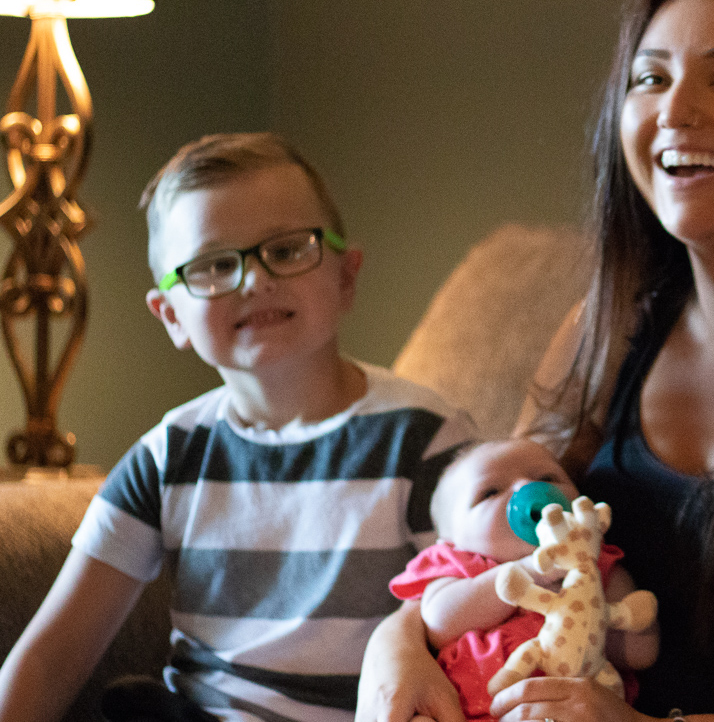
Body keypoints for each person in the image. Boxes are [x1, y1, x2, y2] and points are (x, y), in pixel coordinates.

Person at [357, 0, 714, 722]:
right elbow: (494, 534)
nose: (674, 111)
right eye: (650, 78)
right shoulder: (609, 326)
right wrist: (394, 641)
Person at [0, 133, 478, 722]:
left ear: (346, 278)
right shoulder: (167, 457)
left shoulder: (426, 440)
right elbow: (49, 659)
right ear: (171, 316)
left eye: (288, 249)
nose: (254, 280)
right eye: (213, 265)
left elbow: (480, 607)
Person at [389, 438, 658, 722]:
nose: (527, 487)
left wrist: (589, 578)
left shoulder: (595, 563)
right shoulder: (459, 566)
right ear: (451, 539)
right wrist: (532, 570)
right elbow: (439, 623)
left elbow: (641, 652)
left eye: (548, 478)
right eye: (490, 492)